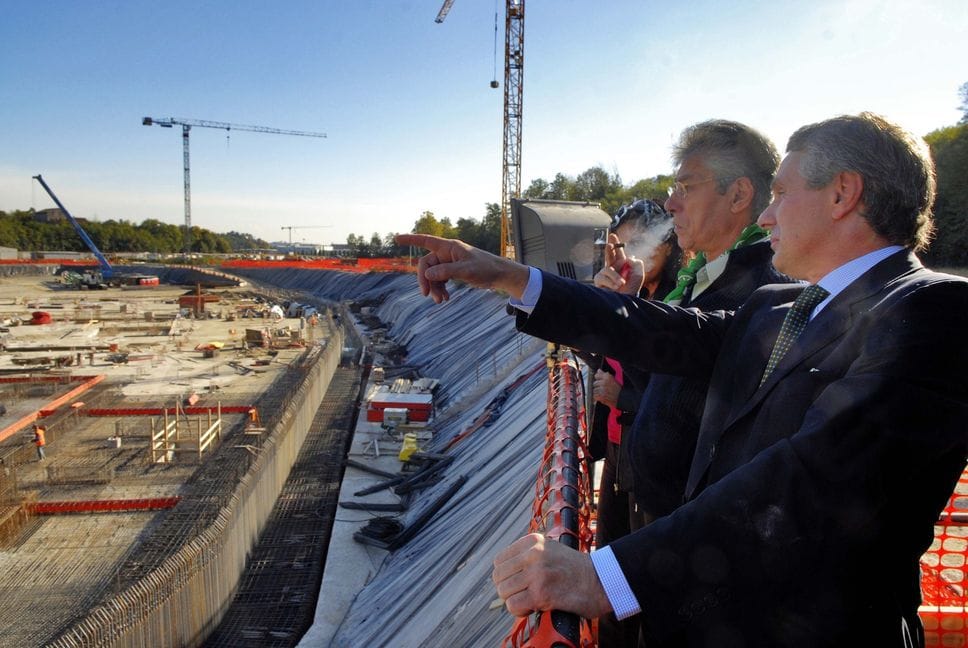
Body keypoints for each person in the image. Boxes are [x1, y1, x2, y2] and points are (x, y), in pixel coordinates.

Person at [397, 112, 968, 646]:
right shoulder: (778, 305)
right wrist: (508, 276)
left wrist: (608, 577)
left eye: (780, 194)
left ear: (842, 194)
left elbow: (808, 484)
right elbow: (654, 330)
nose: (766, 216)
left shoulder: (933, 311)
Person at [586, 198, 683, 648]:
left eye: (639, 242)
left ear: (667, 244)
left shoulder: (677, 301)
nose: (629, 254)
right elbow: (598, 357)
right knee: (609, 565)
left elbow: (679, 393)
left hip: (649, 456)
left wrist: (622, 397)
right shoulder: (635, 293)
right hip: (619, 448)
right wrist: (602, 306)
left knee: (634, 578)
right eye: (621, 246)